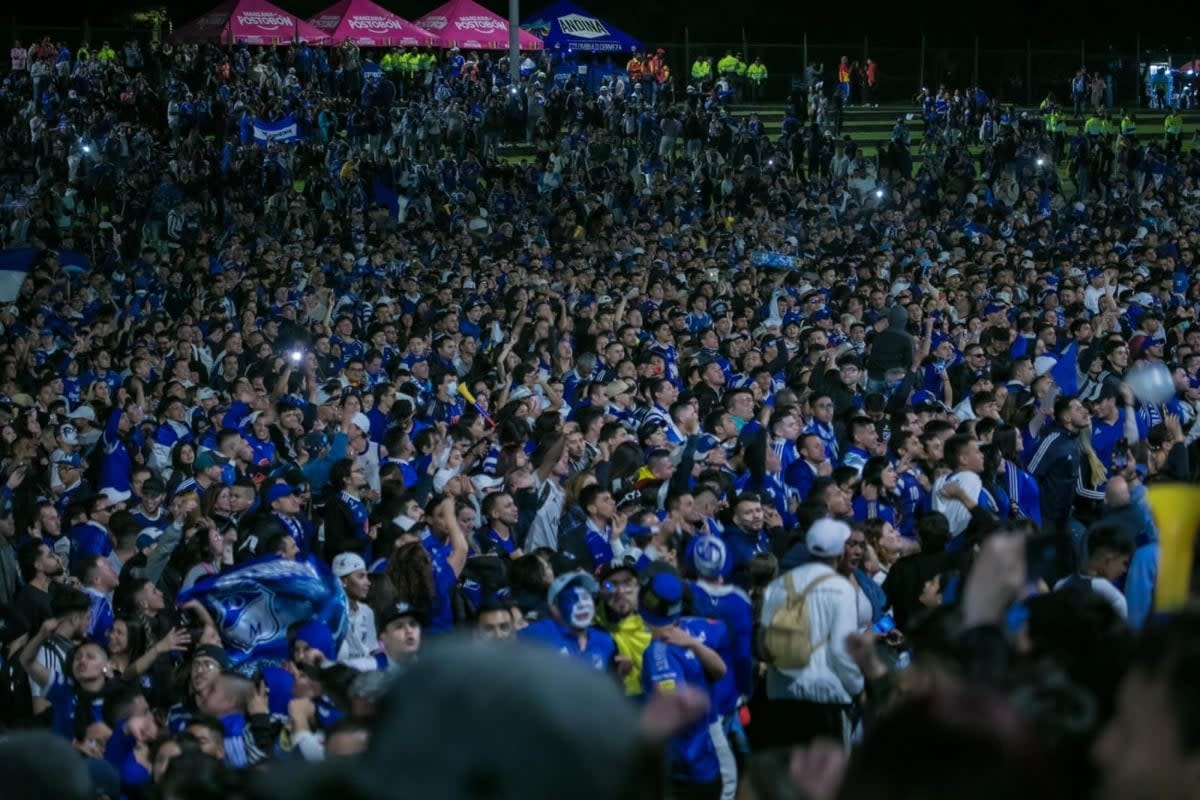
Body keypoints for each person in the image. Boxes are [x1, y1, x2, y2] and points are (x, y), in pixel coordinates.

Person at [755, 518, 863, 749]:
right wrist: (857, 687)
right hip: (825, 697)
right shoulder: (841, 588)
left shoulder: (779, 584)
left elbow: (762, 643)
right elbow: (841, 651)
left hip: (780, 694)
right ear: (839, 551)